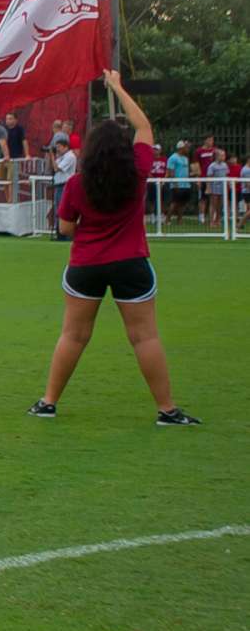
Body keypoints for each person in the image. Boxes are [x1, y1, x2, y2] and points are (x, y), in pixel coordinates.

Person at [30, 72, 199, 424]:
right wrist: (117, 87)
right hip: (131, 263)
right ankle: (166, 410)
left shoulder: (77, 183)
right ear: (124, 149)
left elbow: (65, 227)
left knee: (73, 335)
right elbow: (144, 127)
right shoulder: (136, 171)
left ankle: (48, 403)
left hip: (86, 265)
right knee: (144, 337)